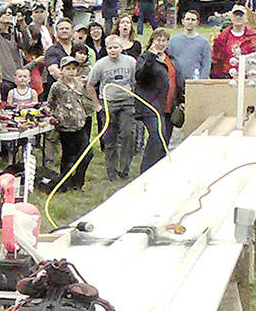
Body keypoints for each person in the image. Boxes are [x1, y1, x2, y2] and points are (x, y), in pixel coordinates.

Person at [86, 35, 137, 180]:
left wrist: (133, 97)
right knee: (110, 139)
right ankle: (111, 172)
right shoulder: (100, 64)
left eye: (116, 47)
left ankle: (124, 169)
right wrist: (97, 106)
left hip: (127, 102)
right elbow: (90, 84)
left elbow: (135, 81)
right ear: (106, 48)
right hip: (108, 103)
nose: (113, 50)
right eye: (110, 48)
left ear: (121, 48)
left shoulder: (130, 62)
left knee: (128, 135)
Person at [134, 28, 183, 174]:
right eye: (158, 40)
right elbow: (140, 76)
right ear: (152, 42)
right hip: (151, 106)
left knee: (165, 141)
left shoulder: (172, 59)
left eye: (164, 41)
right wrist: (150, 57)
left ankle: (158, 171)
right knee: (157, 136)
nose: (161, 44)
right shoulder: (145, 58)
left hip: (169, 106)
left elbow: (178, 80)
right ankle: (145, 172)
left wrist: (181, 99)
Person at [47, 55, 92, 191]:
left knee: (87, 154)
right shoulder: (57, 86)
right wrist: (54, 117)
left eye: (73, 69)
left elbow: (84, 100)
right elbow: (51, 103)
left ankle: (78, 182)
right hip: (65, 127)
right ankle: (64, 184)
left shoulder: (79, 84)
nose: (71, 71)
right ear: (62, 70)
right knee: (68, 158)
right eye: (68, 69)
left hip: (80, 124)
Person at [210, 5, 256, 79]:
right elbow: (216, 59)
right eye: (235, 15)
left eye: (241, 15)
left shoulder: (253, 36)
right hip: (226, 75)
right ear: (231, 18)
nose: (238, 17)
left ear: (246, 18)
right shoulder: (222, 37)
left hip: (246, 74)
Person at [0, 2, 26, 79]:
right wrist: (7, 5)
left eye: (10, 13)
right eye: (5, 13)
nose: (7, 15)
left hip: (16, 78)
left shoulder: (15, 34)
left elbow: (28, 44)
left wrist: (22, 22)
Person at [168, 9, 211, 81]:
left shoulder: (204, 42)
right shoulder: (173, 41)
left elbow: (206, 63)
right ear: (183, 21)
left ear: (197, 22)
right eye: (187, 19)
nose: (190, 22)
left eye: (193, 20)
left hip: (195, 81)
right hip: (177, 81)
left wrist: (202, 80)